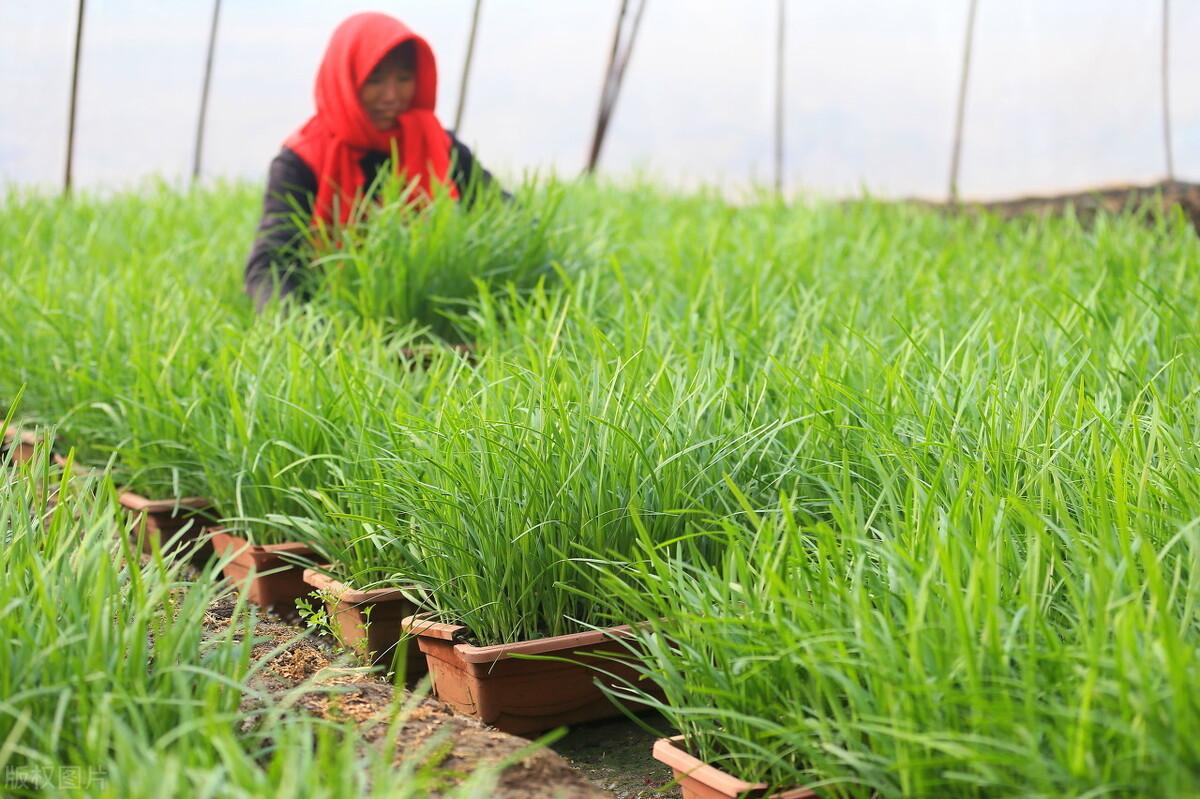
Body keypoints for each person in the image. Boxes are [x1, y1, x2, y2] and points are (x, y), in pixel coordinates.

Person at [244, 12, 503, 310]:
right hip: (330, 314)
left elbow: (502, 213)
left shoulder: (436, 145)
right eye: (374, 80)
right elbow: (269, 264)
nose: (391, 96)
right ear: (345, 80)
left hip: (428, 311)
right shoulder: (302, 161)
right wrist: (303, 331)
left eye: (404, 79)